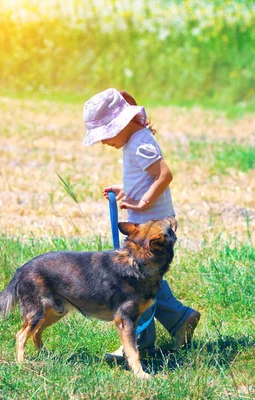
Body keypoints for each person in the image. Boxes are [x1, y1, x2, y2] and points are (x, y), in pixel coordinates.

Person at [83, 88, 200, 360]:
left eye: (105, 134)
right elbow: (146, 179)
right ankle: (161, 329)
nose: (103, 142)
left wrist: (143, 203)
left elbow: (164, 175)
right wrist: (127, 190)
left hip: (152, 232)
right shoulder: (135, 141)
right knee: (143, 281)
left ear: (122, 124)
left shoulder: (139, 144)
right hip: (147, 227)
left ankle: (168, 324)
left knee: (138, 283)